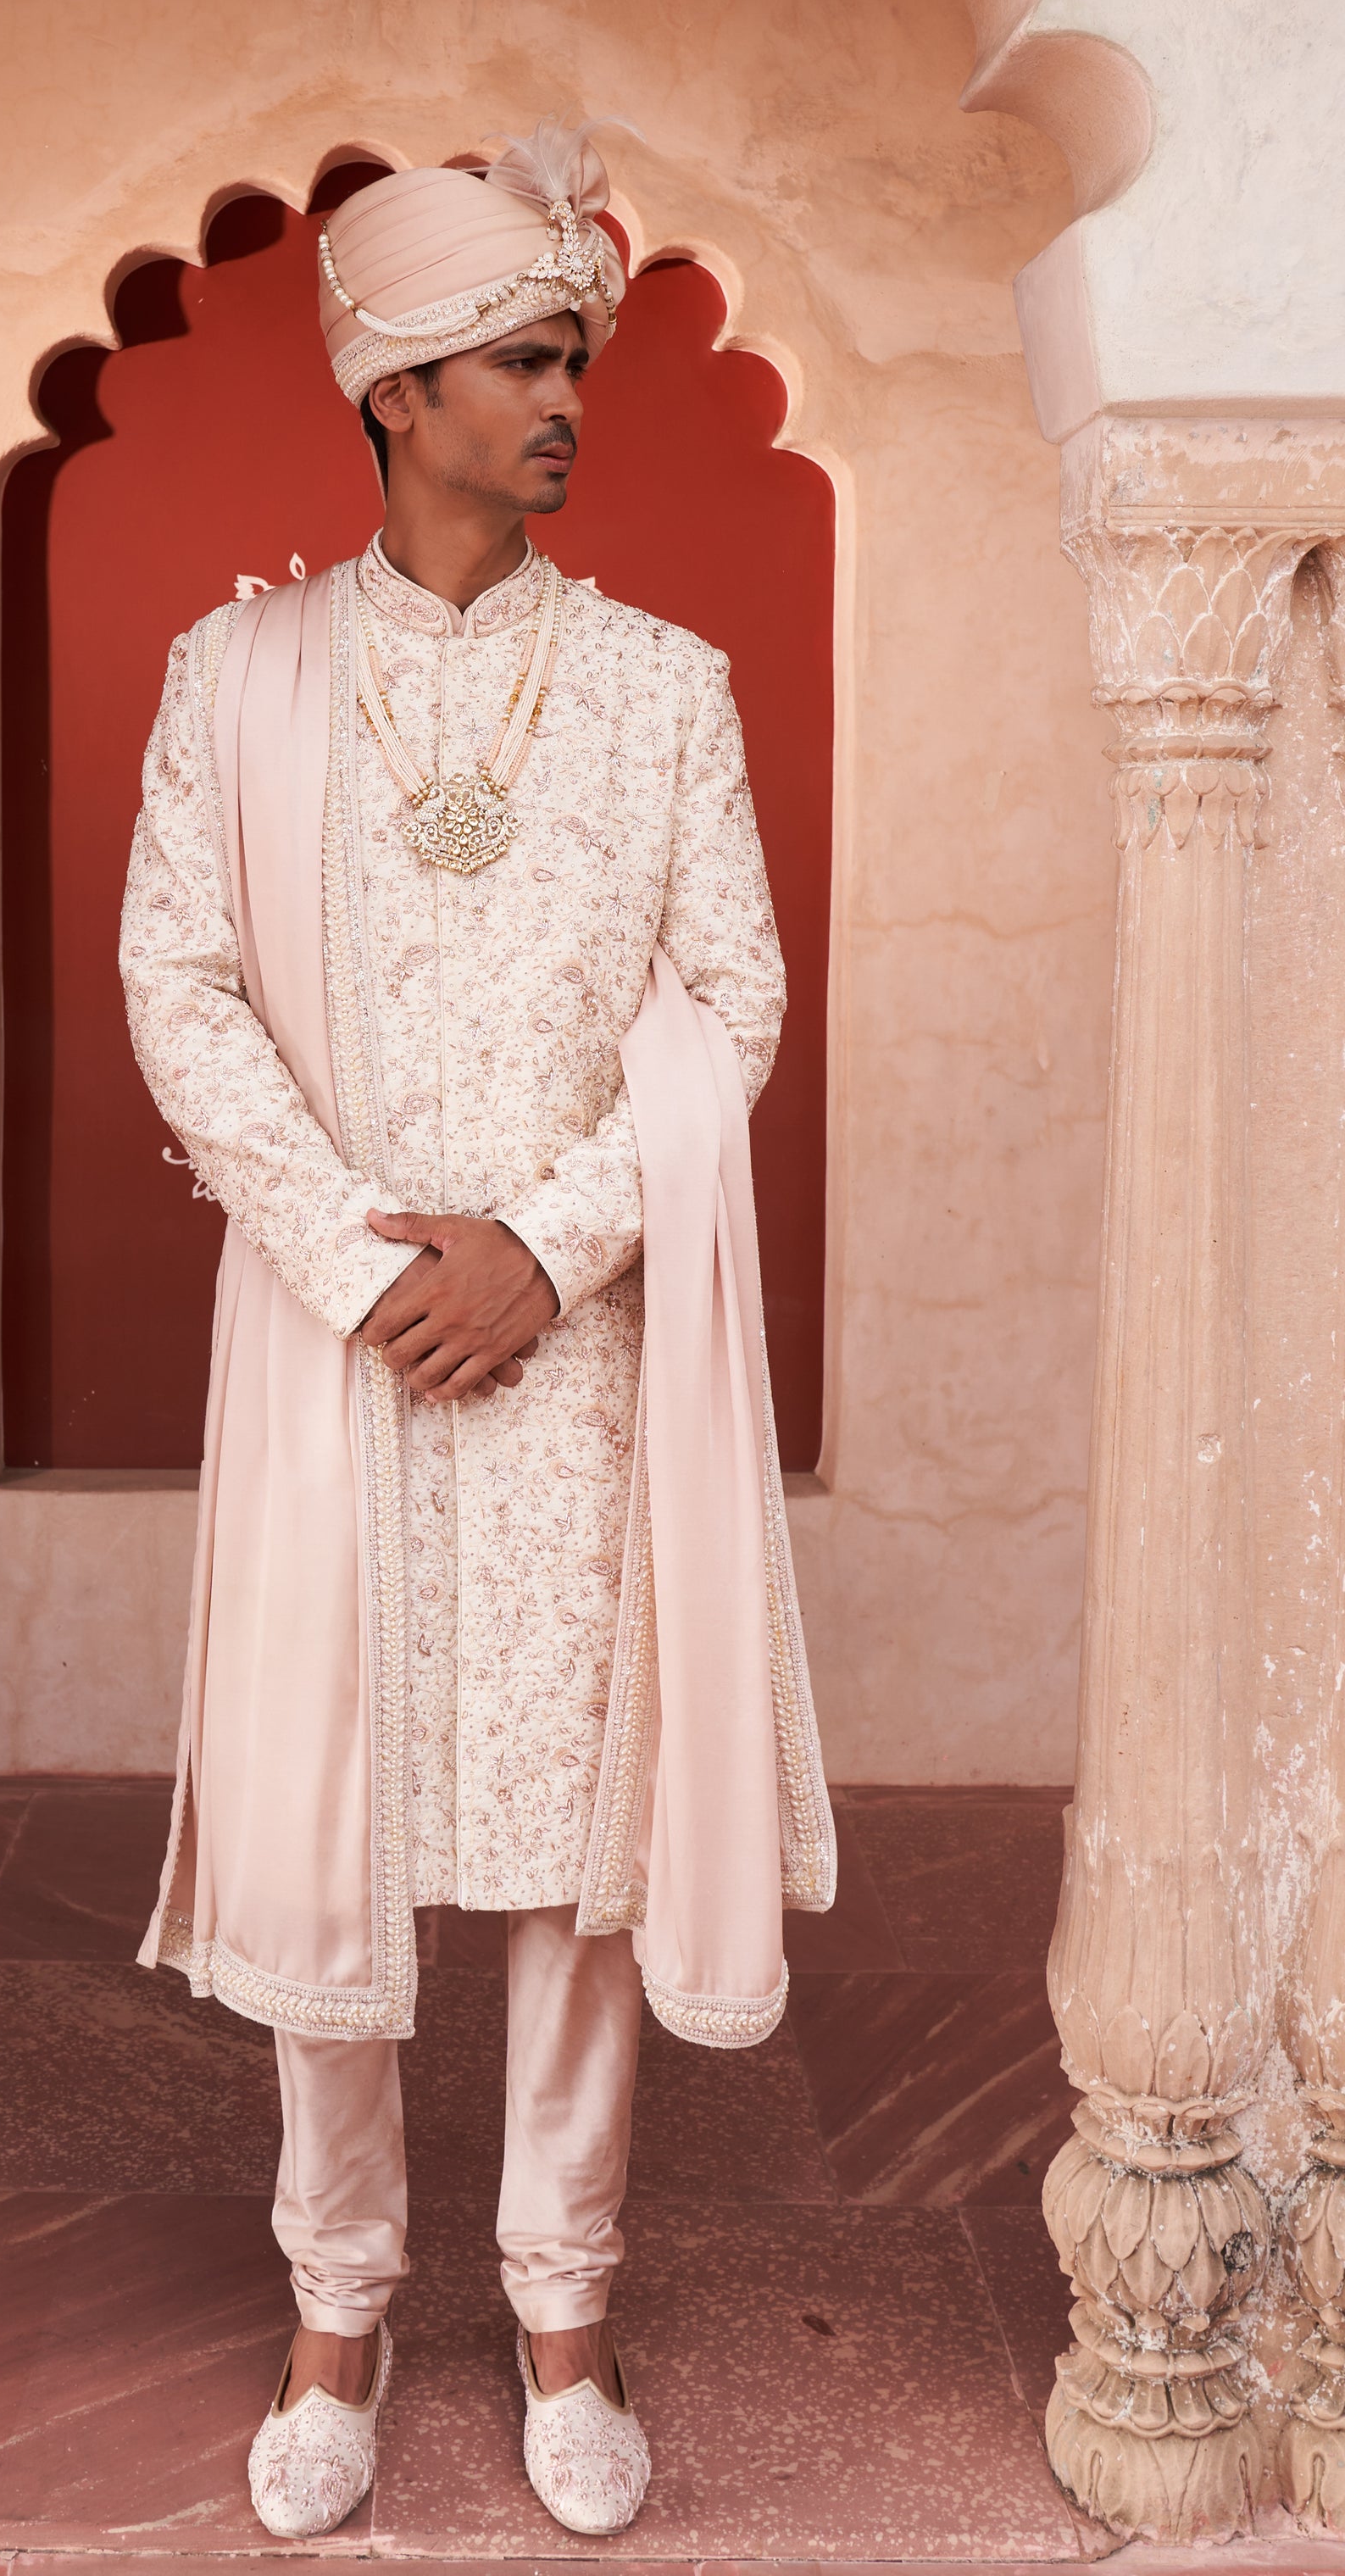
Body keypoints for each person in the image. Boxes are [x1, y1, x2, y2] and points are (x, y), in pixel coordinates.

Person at [119, 121, 833, 2540]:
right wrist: (358, 1262)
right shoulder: (237, 679)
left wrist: (544, 1247)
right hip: (335, 1350)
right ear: (394, 387)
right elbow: (181, 989)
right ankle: (336, 2308)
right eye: (522, 363)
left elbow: (732, 1001)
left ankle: (562, 2307)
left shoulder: (658, 692)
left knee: (567, 1848)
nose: (566, 404)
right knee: (327, 1825)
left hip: (572, 1352)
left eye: (572, 363)